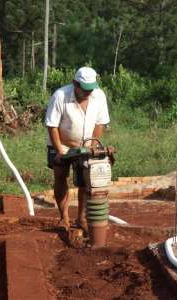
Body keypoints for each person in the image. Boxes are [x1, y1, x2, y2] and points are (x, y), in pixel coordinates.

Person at [45, 66, 110, 230]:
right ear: (75, 84)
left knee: (85, 181)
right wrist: (60, 150)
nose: (88, 93)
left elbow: (100, 122)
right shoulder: (60, 96)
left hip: (86, 145)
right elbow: (52, 126)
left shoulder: (99, 96)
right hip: (61, 143)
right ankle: (64, 218)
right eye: (85, 89)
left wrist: (93, 146)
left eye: (91, 89)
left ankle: (81, 218)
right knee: (60, 176)